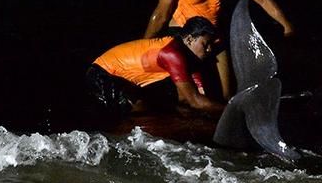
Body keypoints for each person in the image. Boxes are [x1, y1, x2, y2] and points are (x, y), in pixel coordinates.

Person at [143, 0, 294, 100]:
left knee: (227, 94)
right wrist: (144, 46)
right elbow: (161, 14)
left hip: (212, 34)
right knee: (192, 96)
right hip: (184, 33)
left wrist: (287, 26)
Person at [86, 16, 224, 118]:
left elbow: (189, 98)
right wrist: (230, 110)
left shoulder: (187, 55)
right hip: (103, 74)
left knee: (168, 109)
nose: (210, 50)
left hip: (123, 81)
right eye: (205, 44)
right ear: (189, 39)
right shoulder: (173, 54)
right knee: (123, 118)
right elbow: (195, 101)